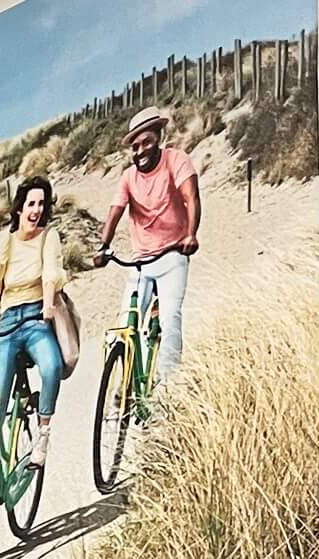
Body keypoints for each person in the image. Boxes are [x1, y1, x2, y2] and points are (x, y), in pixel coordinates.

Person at [0, 175, 68, 485]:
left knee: (52, 367)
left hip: (37, 317)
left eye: (41, 203)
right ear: (19, 208)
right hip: (9, 322)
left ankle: (43, 434)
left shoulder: (49, 237)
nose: (36, 209)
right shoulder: (5, 242)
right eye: (30, 203)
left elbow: (51, 272)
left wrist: (48, 305)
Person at [95, 105, 201, 385]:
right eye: (135, 146)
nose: (140, 151)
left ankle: (167, 389)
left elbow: (191, 197)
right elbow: (115, 211)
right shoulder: (128, 177)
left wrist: (191, 234)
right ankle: (124, 384)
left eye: (147, 143)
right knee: (124, 325)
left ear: (159, 137)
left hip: (173, 254)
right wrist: (102, 246)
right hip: (140, 261)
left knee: (169, 319)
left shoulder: (176, 160)